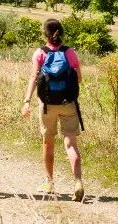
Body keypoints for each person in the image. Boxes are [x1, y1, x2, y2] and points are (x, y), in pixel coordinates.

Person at [21, 18, 85, 201]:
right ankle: (78, 181)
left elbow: (34, 78)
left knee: (48, 143)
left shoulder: (40, 53)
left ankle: (49, 181)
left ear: (45, 34)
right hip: (68, 104)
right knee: (71, 144)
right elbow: (79, 78)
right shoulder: (70, 53)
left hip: (47, 105)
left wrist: (27, 101)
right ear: (61, 33)